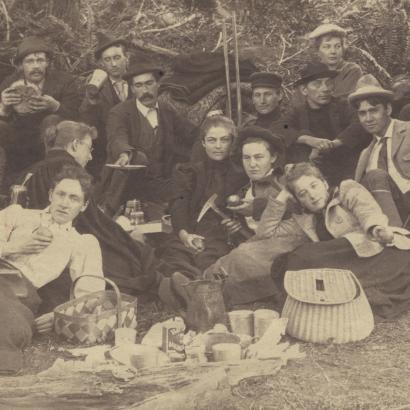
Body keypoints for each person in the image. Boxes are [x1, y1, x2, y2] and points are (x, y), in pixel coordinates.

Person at [20, 120, 170, 300]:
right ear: (75, 145)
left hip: (28, 248)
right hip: (67, 246)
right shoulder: (70, 172)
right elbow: (94, 225)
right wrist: (125, 236)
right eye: (89, 149)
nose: (90, 157)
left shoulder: (32, 170)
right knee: (137, 258)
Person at [264, 162, 410, 319]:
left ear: (325, 183)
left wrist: (376, 228)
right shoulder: (304, 220)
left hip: (383, 252)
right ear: (298, 201)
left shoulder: (345, 190)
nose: (312, 196)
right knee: (284, 263)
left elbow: (367, 210)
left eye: (314, 186)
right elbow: (266, 232)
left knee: (303, 255)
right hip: (352, 265)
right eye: (302, 194)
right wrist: (283, 195)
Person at [0, 165, 105, 374]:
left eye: (74, 198)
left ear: (84, 206)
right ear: (50, 195)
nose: (65, 203)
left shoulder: (81, 242)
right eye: (61, 194)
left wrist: (62, 315)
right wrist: (15, 247)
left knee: (12, 323)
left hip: (19, 292)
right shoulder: (18, 214)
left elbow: (92, 292)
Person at [98, 62, 198, 217]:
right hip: (127, 186)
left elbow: (191, 133)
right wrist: (125, 154)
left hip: (158, 184)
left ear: (158, 85)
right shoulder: (119, 112)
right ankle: (106, 213)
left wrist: (211, 129)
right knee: (138, 157)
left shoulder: (166, 110)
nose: (145, 90)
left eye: (149, 84)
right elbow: (117, 138)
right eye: (138, 85)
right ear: (132, 89)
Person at [158, 115, 247, 278]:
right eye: (212, 140)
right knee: (175, 261)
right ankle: (186, 285)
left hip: (220, 236)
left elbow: (244, 210)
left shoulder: (240, 175)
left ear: (232, 142)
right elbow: (179, 205)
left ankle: (200, 286)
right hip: (188, 231)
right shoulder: (187, 172)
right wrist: (185, 235)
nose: (218, 146)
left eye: (224, 140)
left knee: (208, 263)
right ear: (203, 142)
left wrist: (236, 225)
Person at [0, 36, 80, 188]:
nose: (35, 66)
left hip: (51, 142)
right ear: (21, 65)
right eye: (29, 61)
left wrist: (55, 106)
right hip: (18, 142)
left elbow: (77, 115)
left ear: (48, 63)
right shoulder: (9, 83)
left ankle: (50, 181)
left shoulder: (65, 81)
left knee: (52, 120)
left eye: (40, 60)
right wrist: (3, 107)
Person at [285, 62, 371, 185]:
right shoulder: (297, 112)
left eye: (328, 82)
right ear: (304, 90)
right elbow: (282, 127)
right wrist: (308, 140)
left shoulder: (343, 106)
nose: (325, 88)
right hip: (314, 173)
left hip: (347, 169)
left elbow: (358, 124)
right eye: (317, 83)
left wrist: (333, 144)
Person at [348, 74, 410, 228]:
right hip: (384, 217)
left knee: (375, 175)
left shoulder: (407, 131)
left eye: (373, 110)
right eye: (362, 113)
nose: (368, 118)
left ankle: (398, 237)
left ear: (388, 109)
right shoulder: (366, 154)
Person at [80, 33, 130, 177]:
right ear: (102, 64)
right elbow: (85, 120)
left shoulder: (137, 81)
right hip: (106, 145)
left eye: (117, 58)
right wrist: (91, 97)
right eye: (107, 60)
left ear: (126, 58)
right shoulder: (97, 84)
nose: (113, 64)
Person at [226, 126, 286, 233]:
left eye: (258, 157)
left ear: (273, 157)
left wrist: (257, 207)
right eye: (246, 158)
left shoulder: (284, 181)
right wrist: (238, 226)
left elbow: (298, 205)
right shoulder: (243, 192)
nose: (252, 164)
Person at [308, 23, 362, 100]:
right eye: (326, 47)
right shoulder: (312, 72)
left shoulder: (351, 70)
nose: (333, 51)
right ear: (317, 50)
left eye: (338, 46)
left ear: (343, 48)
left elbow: (341, 101)